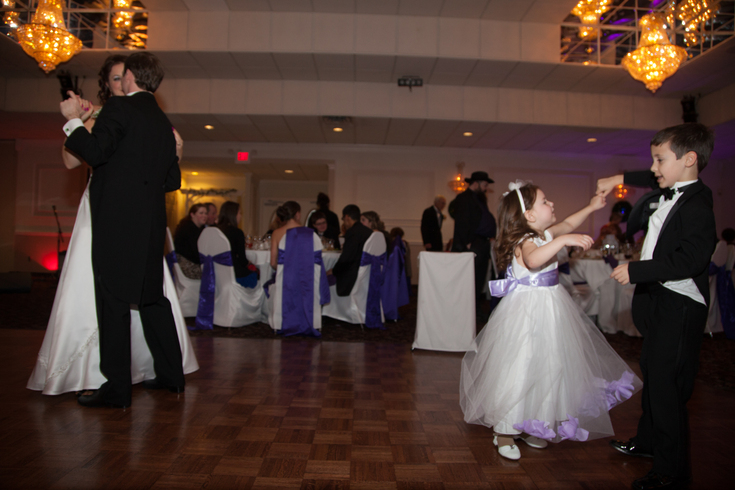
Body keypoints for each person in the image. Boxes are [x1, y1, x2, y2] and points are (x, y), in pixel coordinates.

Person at [28, 54, 197, 397]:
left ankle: (117, 388)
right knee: (153, 299)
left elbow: (95, 153)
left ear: (131, 76)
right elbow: (171, 180)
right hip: (150, 223)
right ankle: (172, 376)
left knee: (113, 301)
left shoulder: (119, 109)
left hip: (115, 221)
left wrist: (73, 121)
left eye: (123, 76)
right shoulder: (162, 120)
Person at [460, 180, 641, 462]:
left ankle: (534, 424)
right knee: (521, 369)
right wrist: (563, 241)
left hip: (551, 309)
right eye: (545, 201)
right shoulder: (525, 240)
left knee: (550, 368)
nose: (552, 203)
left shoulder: (544, 233)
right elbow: (533, 261)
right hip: (526, 315)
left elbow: (568, 223)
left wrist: (591, 207)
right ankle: (505, 431)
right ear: (529, 215)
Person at [597, 123, 717, 490]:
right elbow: (649, 177)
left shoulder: (698, 203)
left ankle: (672, 472)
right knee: (655, 377)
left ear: (689, 159)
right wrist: (617, 177)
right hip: (660, 301)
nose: (653, 168)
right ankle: (648, 442)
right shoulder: (672, 188)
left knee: (668, 389)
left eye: (660, 159)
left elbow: (692, 259)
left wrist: (636, 270)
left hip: (680, 304)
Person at [451, 171, 497, 323]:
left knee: (479, 280)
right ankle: (466, 312)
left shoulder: (479, 199)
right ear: (476, 183)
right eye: (484, 185)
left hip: (482, 243)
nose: (486, 188)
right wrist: (468, 241)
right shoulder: (463, 198)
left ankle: (475, 309)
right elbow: (462, 221)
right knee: (470, 280)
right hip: (473, 244)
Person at [329, 204, 372, 296]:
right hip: (368, 274)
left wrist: (333, 271)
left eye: (343, 219)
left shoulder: (352, 232)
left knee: (326, 277)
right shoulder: (369, 232)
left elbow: (346, 259)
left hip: (353, 277)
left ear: (347, 217)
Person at [217, 201, 258, 288]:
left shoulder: (216, 231)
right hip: (233, 274)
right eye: (240, 213)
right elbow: (242, 261)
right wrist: (250, 263)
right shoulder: (237, 232)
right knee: (255, 275)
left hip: (216, 274)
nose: (241, 216)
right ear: (233, 215)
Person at [174, 203, 208, 279]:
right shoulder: (189, 229)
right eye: (201, 213)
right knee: (213, 273)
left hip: (186, 263)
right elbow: (195, 253)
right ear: (192, 215)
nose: (204, 216)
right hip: (187, 266)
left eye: (206, 213)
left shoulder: (196, 228)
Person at [270, 201, 302, 270]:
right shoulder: (307, 232)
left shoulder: (276, 233)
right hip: (302, 274)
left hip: (283, 275)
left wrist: (281, 271)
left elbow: (273, 263)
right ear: (297, 214)